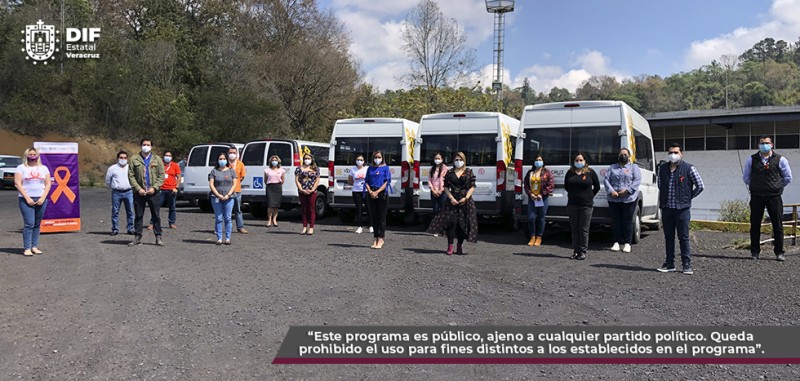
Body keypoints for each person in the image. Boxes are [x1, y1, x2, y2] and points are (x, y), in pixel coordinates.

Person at [656, 143, 704, 274]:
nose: (673, 155)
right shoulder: (663, 168)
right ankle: (670, 264)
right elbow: (660, 185)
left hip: (682, 209)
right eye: (671, 152)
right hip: (667, 207)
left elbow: (700, 186)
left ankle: (686, 265)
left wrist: (688, 198)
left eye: (676, 152)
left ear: (681, 154)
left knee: (683, 237)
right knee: (668, 237)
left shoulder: (689, 168)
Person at [743, 135, 792, 261]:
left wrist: (777, 186)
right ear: (758, 145)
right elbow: (746, 177)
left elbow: (788, 177)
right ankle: (755, 251)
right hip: (756, 196)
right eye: (761, 143)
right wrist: (756, 186)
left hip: (774, 196)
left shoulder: (780, 159)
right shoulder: (751, 159)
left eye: (766, 142)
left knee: (777, 225)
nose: (764, 145)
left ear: (772, 145)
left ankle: (779, 252)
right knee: (755, 224)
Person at [426, 151, 478, 255]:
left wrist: (466, 198)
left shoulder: (469, 172)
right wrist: (451, 197)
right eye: (456, 160)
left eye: (460, 160)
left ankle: (459, 245)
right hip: (452, 200)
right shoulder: (449, 172)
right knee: (451, 223)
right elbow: (445, 187)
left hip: (465, 201)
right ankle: (450, 246)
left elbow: (472, 186)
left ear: (464, 161)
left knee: (462, 224)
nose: (458, 162)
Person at [14, 147, 52, 256]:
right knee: (29, 223)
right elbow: (17, 183)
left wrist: (43, 198)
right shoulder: (21, 168)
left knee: (37, 224)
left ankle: (34, 246)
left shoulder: (43, 168)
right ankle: (27, 248)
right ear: (26, 156)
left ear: (38, 156)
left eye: (34, 154)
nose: (32, 156)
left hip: (41, 199)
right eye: (30, 154)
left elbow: (48, 183)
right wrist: (27, 198)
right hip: (26, 199)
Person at [128, 138, 165, 247]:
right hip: (139, 193)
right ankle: (137, 237)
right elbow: (131, 175)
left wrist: (155, 187)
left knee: (156, 215)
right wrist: (138, 188)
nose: (146, 146)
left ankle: (158, 236)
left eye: (148, 144)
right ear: (141, 146)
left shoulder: (157, 159)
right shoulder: (135, 159)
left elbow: (161, 175)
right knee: (139, 215)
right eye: (144, 144)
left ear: (151, 146)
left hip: (153, 193)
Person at [564, 152, 600, 260]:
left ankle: (583, 251)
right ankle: (575, 251)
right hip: (572, 205)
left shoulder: (590, 172)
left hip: (586, 205)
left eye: (581, 160)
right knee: (574, 229)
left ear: (585, 161)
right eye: (576, 160)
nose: (579, 162)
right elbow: (566, 186)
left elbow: (597, 187)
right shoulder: (570, 173)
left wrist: (589, 197)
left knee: (583, 229)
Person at [604, 148, 642, 253]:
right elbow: (606, 180)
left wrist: (627, 191)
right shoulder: (612, 167)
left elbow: (637, 180)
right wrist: (611, 191)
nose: (623, 156)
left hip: (629, 199)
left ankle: (627, 243)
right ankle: (616, 242)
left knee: (628, 221)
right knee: (616, 221)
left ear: (629, 156)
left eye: (625, 154)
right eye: (621, 154)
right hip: (614, 198)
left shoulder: (633, 167)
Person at [523, 154, 554, 247]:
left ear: (543, 161)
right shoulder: (530, 172)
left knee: (541, 218)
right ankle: (532, 236)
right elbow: (526, 184)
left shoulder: (547, 172)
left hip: (542, 198)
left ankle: (539, 237)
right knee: (531, 218)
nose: (538, 161)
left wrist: (542, 194)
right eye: (536, 160)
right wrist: (530, 194)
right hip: (532, 198)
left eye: (540, 160)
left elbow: (551, 185)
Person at [209, 153, 238, 245]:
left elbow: (234, 184)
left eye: (224, 158)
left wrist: (228, 195)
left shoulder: (231, 171)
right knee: (218, 218)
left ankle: (228, 238)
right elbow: (211, 184)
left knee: (228, 218)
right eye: (220, 158)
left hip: (229, 198)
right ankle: (219, 238)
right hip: (216, 198)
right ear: (217, 160)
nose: (222, 160)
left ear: (227, 160)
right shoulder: (214, 171)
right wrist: (218, 195)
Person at [365, 150, 391, 249]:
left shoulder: (386, 168)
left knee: (381, 217)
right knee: (374, 216)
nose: (377, 159)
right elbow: (366, 181)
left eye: (379, 157)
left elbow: (386, 182)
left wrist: (377, 192)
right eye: (376, 157)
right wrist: (371, 191)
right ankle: (375, 237)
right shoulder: (370, 168)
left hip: (382, 193)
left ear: (382, 158)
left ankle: (381, 238)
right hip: (371, 192)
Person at [105, 150, 134, 236]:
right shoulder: (112, 168)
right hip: (116, 193)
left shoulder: (130, 168)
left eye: (125, 158)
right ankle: (115, 229)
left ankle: (130, 229)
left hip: (129, 192)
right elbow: (107, 181)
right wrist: (115, 186)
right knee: (115, 212)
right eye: (121, 157)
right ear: (117, 158)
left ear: (127, 159)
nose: (123, 159)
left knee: (130, 211)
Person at [150, 150, 180, 230]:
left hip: (171, 189)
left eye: (169, 156)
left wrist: (176, 187)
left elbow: (179, 177)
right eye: (166, 155)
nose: (168, 157)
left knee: (172, 207)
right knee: (156, 206)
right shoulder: (159, 164)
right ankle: (153, 223)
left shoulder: (175, 165)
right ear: (163, 156)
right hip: (161, 189)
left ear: (172, 157)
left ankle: (172, 223)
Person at [295, 152, 320, 235]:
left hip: (312, 191)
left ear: (312, 159)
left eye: (308, 158)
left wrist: (313, 189)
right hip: (302, 191)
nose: (307, 160)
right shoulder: (299, 168)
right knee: (304, 209)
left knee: (311, 209)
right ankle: (304, 227)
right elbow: (297, 180)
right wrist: (301, 189)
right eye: (305, 158)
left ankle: (311, 227)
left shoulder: (315, 169)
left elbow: (317, 180)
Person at [348, 155, 372, 234]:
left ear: (364, 161)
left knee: (369, 208)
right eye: (358, 159)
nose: (359, 161)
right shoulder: (353, 170)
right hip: (356, 191)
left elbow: (370, 179)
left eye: (361, 160)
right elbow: (350, 181)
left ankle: (371, 226)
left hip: (366, 191)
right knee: (359, 209)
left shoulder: (367, 169)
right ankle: (359, 227)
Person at [228, 146, 248, 234]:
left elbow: (242, 176)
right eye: (230, 153)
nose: (232, 154)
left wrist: (236, 183)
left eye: (234, 153)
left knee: (238, 210)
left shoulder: (240, 164)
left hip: (237, 191)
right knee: (225, 211)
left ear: (236, 154)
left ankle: (240, 227)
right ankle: (219, 228)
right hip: (225, 191)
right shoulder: (224, 163)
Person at [264, 155, 286, 228]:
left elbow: (283, 180)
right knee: (270, 205)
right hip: (270, 187)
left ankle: (274, 220)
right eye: (273, 160)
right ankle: (269, 220)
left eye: (275, 160)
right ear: (270, 161)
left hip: (278, 187)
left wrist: (278, 183)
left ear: (278, 161)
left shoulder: (281, 170)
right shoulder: (267, 170)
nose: (274, 161)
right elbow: (265, 180)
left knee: (276, 206)